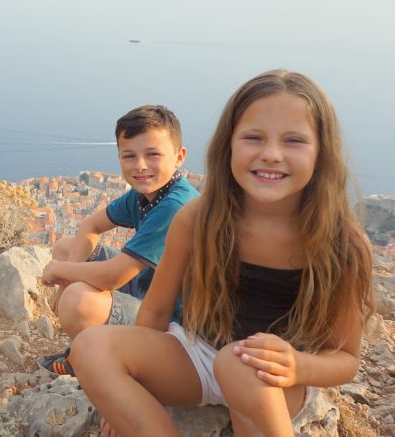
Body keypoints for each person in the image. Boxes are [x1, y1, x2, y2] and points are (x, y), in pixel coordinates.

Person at [71, 70, 375, 437]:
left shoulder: (341, 243)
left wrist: (297, 365)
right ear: (228, 144)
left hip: (273, 382)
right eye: (253, 138)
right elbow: (156, 308)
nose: (272, 154)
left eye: (294, 140)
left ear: (322, 152)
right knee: (90, 346)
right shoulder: (199, 219)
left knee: (237, 362)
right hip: (197, 354)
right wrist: (130, 394)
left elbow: (344, 359)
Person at [38, 105, 199, 376]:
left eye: (153, 155)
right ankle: (89, 351)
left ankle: (96, 361)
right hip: (149, 285)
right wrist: (64, 283)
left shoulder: (175, 205)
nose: (141, 166)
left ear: (179, 157)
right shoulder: (144, 194)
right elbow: (92, 225)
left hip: (173, 321)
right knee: (66, 247)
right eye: (129, 156)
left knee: (78, 301)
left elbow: (113, 276)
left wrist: (61, 274)